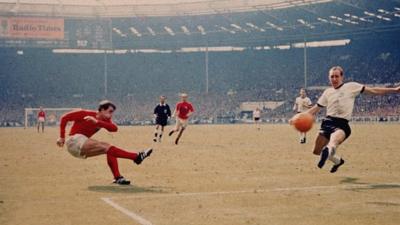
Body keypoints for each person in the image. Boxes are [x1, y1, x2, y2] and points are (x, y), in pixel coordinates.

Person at [305, 66, 400, 173]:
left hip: (342, 124)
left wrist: (395, 90)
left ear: (342, 77)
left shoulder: (351, 86)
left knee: (333, 142)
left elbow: (373, 90)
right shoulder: (327, 92)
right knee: (316, 151)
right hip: (327, 122)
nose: (334, 79)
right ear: (329, 78)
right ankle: (337, 161)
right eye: (332, 77)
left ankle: (328, 150)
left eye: (337, 76)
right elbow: (316, 108)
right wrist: (298, 117)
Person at [56, 100, 152, 185]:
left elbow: (114, 128)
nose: (111, 115)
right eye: (110, 111)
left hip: (80, 148)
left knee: (109, 149)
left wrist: (97, 122)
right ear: (102, 109)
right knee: (106, 146)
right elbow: (64, 118)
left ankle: (118, 177)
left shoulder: (105, 120)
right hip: (74, 141)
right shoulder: (85, 113)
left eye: (112, 112)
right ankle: (136, 157)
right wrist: (61, 137)